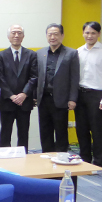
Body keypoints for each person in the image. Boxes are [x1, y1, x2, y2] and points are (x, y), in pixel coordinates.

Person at [75, 21, 102, 168]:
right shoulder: (78, 51)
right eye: (87, 32)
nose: (89, 35)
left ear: (98, 34)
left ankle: (98, 161)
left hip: (97, 95)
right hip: (80, 93)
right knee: (81, 128)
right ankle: (85, 159)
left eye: (93, 33)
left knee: (96, 128)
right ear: (83, 33)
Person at [36, 23, 79, 153]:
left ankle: (61, 158)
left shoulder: (71, 53)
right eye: (50, 34)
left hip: (61, 99)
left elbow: (74, 77)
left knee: (61, 132)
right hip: (43, 99)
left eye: (56, 34)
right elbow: (35, 77)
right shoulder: (39, 53)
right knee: (45, 131)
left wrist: (73, 99)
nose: (52, 37)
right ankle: (46, 158)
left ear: (62, 35)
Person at [0, 25, 37, 152]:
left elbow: (34, 76)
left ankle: (23, 159)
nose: (16, 35)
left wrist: (24, 94)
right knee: (5, 133)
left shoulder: (31, 55)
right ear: (8, 37)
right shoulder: (0, 55)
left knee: (23, 133)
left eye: (19, 33)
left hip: (24, 102)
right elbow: (0, 77)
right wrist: (11, 95)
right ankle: (3, 159)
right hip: (7, 101)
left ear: (23, 36)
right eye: (13, 33)